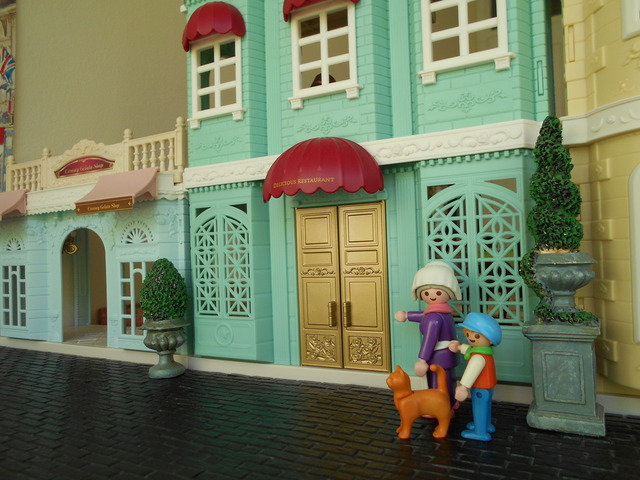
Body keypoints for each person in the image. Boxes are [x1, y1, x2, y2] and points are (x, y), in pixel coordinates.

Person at [395, 260, 461, 408]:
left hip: (438, 355)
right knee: (449, 379)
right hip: (448, 354)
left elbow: (429, 340)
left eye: (438, 292)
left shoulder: (434, 317)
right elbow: (425, 316)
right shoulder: (444, 312)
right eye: (426, 293)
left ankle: (440, 407)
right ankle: (451, 403)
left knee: (437, 382)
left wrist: (422, 359)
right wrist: (407, 315)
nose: (431, 296)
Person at [448, 312, 502, 441]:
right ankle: (485, 425)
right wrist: (459, 347)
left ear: (490, 340)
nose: (471, 338)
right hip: (487, 387)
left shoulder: (478, 357)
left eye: (476, 335)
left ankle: (480, 432)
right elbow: (469, 349)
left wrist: (463, 387)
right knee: (486, 406)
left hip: (480, 387)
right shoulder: (484, 351)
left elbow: (470, 372)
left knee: (479, 408)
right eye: (468, 334)